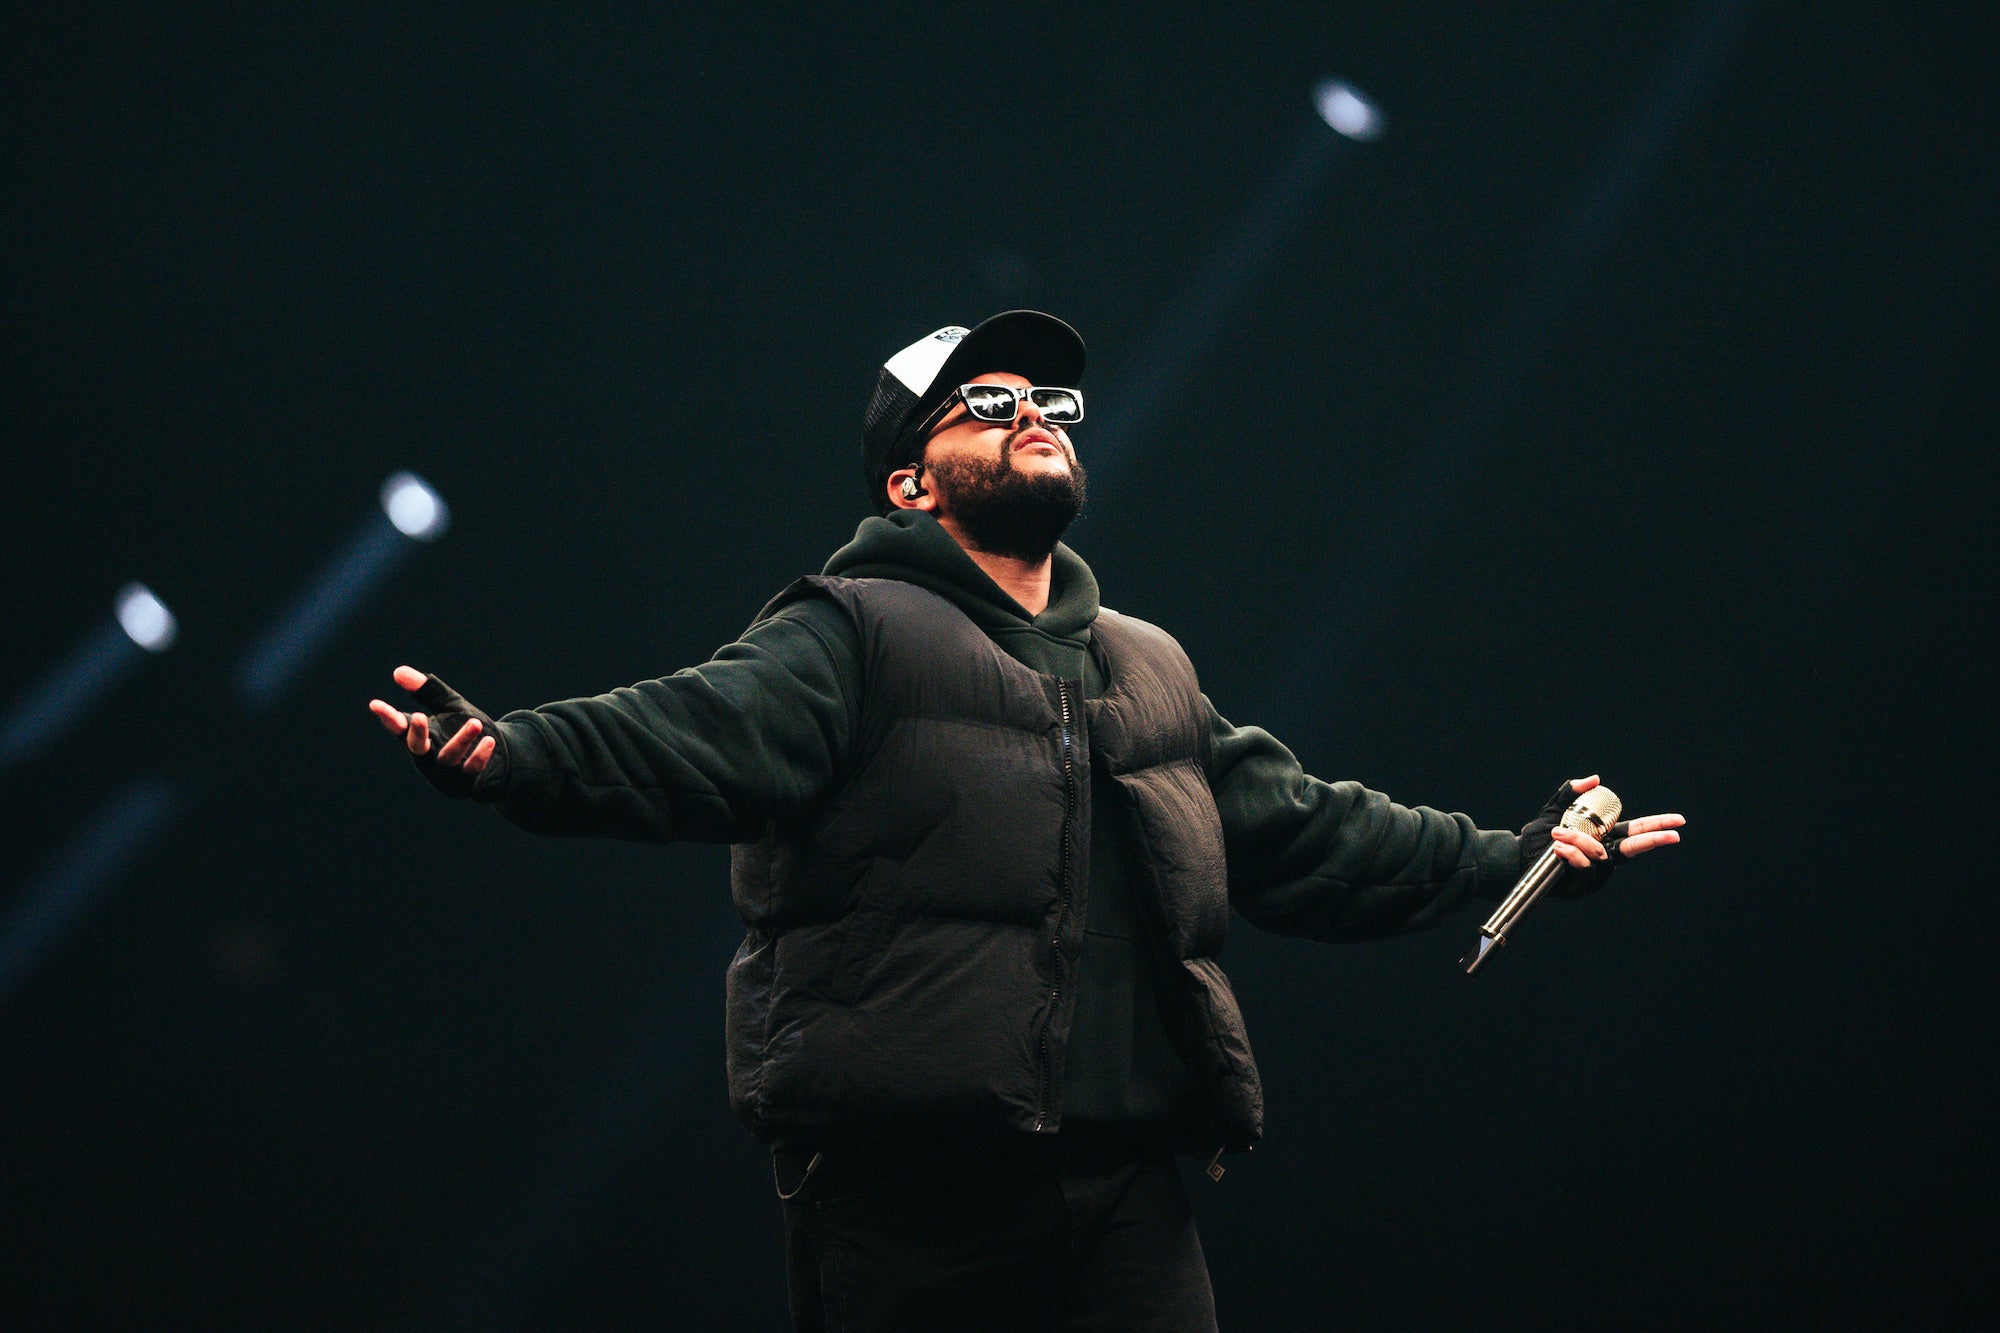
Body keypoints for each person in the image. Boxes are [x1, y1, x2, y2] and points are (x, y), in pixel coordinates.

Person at [368, 311, 1684, 1331]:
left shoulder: (1147, 665)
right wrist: (514, 753)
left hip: (1126, 1201)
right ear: (910, 484)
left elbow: (1306, 830)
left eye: (1048, 402)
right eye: (983, 405)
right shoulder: (850, 630)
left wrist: (1520, 857)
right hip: (911, 1204)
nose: (1032, 417)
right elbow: (689, 730)